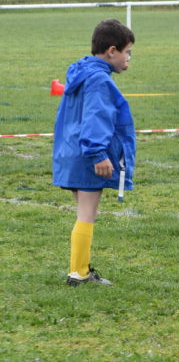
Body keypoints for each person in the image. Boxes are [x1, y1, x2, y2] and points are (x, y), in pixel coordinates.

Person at [52, 18, 136, 286]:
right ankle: (78, 274)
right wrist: (99, 154)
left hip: (72, 154)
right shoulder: (99, 80)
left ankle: (82, 267)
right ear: (112, 51)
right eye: (127, 52)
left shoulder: (82, 72)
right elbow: (95, 119)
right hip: (88, 157)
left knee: (84, 213)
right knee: (87, 214)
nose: (129, 59)